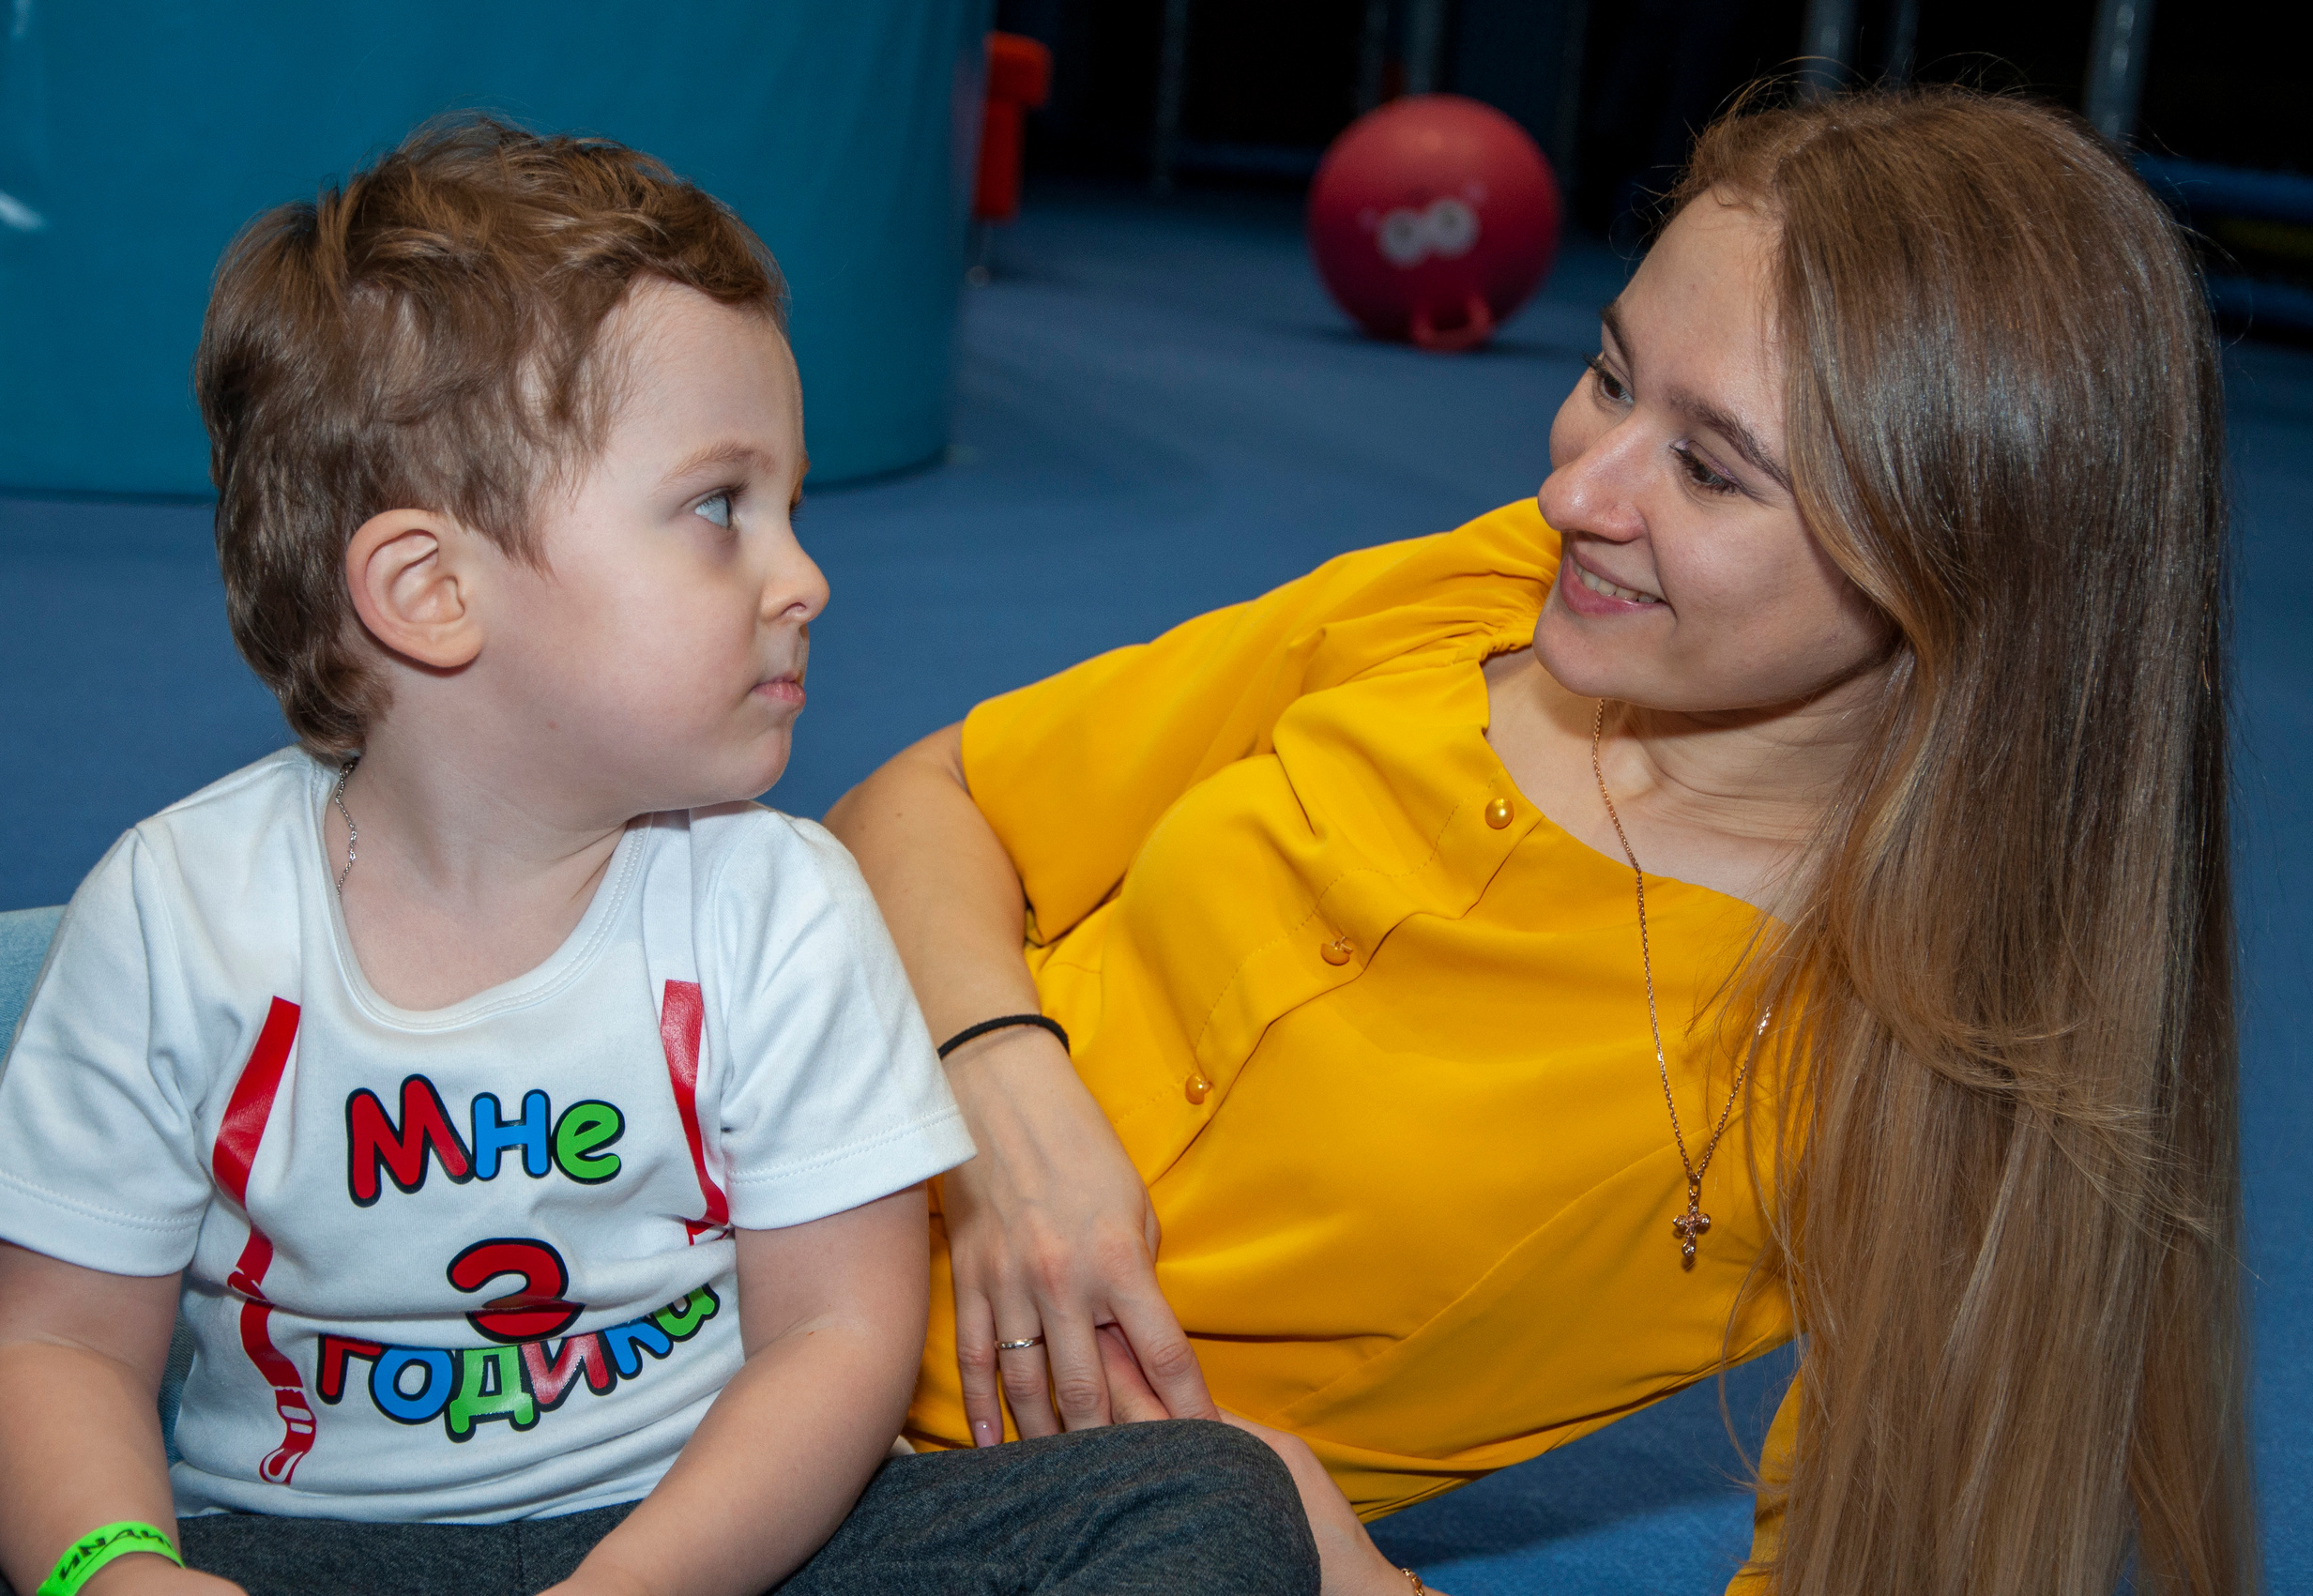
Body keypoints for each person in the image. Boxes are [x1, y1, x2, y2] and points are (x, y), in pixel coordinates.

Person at [828, 85, 2255, 1596]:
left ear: (1958, 570)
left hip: (932, 1499)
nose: (1577, 488)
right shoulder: (1489, 595)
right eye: (1609, 375)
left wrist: (1326, 1564)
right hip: (729, 1189)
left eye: (1711, 470)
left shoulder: (1908, 1074)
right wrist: (1000, 1085)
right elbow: (929, 798)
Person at [0, 120, 1316, 1596]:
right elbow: (59, 1342)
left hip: (702, 1540)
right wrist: (116, 1571)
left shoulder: (780, 905)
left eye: (790, 508)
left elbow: (833, 1339)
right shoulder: (178, 914)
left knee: (1211, 1502)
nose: (806, 577)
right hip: (300, 1553)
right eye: (721, 508)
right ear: (432, 589)